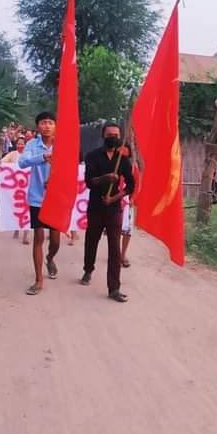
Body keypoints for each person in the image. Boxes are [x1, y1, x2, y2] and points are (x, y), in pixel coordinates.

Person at [80, 122, 135, 303]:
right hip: (96, 206)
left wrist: (115, 197)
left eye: (116, 135)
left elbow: (131, 185)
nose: (113, 137)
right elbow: (89, 182)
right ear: (103, 136)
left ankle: (114, 288)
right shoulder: (92, 156)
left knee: (114, 249)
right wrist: (106, 178)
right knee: (91, 240)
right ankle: (88, 269)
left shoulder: (123, 159)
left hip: (113, 208)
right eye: (110, 134)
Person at [19, 112, 60, 295]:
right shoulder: (32, 145)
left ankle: (50, 258)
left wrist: (56, 181)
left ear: (56, 126)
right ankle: (38, 279)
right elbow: (22, 162)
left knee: (56, 240)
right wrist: (43, 157)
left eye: (50, 122)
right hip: (36, 198)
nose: (47, 126)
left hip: (56, 198)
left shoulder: (63, 144)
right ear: (38, 127)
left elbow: (72, 168)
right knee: (38, 238)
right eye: (43, 123)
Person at [2, 137, 30, 245]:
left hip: (27, 187)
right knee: (16, 208)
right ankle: (16, 228)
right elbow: (3, 162)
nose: (20, 146)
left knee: (27, 209)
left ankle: (26, 235)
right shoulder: (12, 154)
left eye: (22, 144)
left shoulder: (29, 155)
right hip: (15, 188)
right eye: (18, 143)